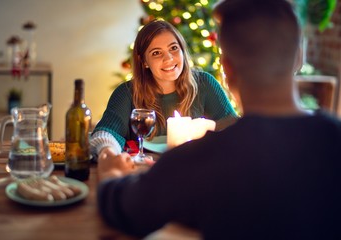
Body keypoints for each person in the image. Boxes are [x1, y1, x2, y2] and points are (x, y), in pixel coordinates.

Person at [96, 0, 341, 239]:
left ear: (227, 69)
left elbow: (122, 208)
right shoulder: (333, 139)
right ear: (299, 56)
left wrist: (110, 174)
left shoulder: (198, 160)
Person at [90, 19, 238, 162]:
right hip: (144, 173)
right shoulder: (127, 92)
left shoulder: (205, 83)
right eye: (156, 53)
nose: (169, 59)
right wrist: (107, 153)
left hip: (196, 169)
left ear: (182, 50)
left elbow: (234, 127)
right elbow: (107, 133)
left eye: (174, 48)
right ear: (144, 62)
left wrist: (207, 126)